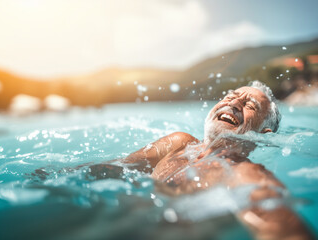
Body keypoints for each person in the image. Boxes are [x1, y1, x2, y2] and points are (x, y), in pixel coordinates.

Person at [120, 81, 313, 239]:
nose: (234, 104)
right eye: (230, 97)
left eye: (250, 105)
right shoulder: (177, 143)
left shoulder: (243, 172)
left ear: (263, 133)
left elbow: (285, 231)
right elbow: (113, 169)